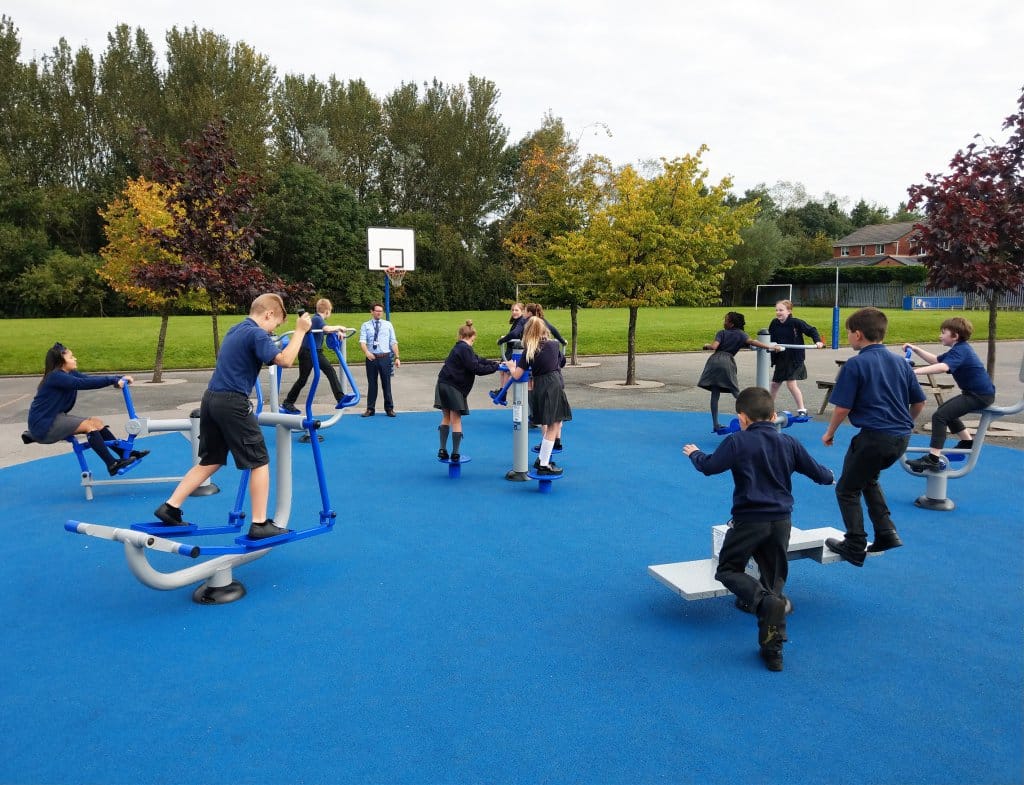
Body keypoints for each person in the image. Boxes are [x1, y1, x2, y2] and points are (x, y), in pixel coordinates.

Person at [683, 387, 834, 672]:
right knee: (773, 578)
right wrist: (830, 476)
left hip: (749, 520)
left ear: (742, 417)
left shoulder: (737, 442)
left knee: (728, 569)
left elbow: (710, 467)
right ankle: (773, 650)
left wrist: (695, 453)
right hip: (781, 521)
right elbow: (818, 472)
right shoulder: (788, 442)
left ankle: (762, 602)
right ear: (774, 416)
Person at [153, 294, 312, 539]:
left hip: (211, 399)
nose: (273, 330)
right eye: (276, 324)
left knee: (211, 460)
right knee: (259, 461)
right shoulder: (257, 334)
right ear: (268, 314)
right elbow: (286, 361)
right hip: (232, 401)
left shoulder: (235, 330)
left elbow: (265, 350)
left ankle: (170, 507)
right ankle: (260, 524)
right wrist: (300, 331)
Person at [822, 307, 927, 565]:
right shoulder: (901, 363)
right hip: (900, 437)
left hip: (874, 438)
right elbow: (919, 402)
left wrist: (829, 432)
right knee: (867, 479)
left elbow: (843, 407)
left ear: (858, 335)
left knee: (847, 489)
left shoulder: (855, 364)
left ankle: (855, 543)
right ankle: (886, 532)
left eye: (848, 333)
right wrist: (904, 423)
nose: (848, 337)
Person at [27, 343, 146, 476]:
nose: (75, 359)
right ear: (61, 360)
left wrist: (117, 379)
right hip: (43, 424)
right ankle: (112, 464)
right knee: (89, 426)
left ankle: (124, 455)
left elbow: (88, 379)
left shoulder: (69, 373)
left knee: (96, 422)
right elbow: (82, 384)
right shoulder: (56, 377)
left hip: (54, 417)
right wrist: (112, 380)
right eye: (71, 357)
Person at [903, 316, 996, 472]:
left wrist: (914, 372)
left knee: (940, 416)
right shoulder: (959, 349)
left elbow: (943, 367)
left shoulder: (961, 351)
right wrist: (916, 349)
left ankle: (933, 458)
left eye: (943, 332)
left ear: (955, 336)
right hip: (975, 393)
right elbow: (936, 361)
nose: (940, 335)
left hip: (980, 395)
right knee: (944, 410)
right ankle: (966, 441)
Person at [506, 316, 571, 476]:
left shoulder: (529, 349)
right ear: (544, 330)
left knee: (551, 422)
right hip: (553, 384)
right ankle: (543, 464)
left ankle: (543, 458)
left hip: (538, 386)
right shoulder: (554, 345)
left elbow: (517, 375)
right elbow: (561, 362)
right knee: (554, 425)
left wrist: (510, 366)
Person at [697, 312, 779, 432]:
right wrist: (770, 347)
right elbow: (753, 342)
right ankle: (754, 417)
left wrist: (706, 345)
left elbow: (714, 347)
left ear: (731, 324)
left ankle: (715, 424)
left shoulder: (722, 333)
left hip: (714, 361)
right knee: (736, 392)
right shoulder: (741, 335)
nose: (724, 322)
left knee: (715, 394)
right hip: (727, 362)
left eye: (726, 320)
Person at [434, 320, 501, 462]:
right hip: (454, 386)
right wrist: (495, 368)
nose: (473, 343)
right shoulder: (465, 349)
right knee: (456, 420)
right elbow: (476, 368)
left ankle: (442, 449)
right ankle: (455, 453)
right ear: (471, 337)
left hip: (442, 383)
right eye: (473, 340)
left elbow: (477, 359)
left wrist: (495, 363)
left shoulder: (458, 348)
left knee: (446, 417)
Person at [281, 298, 350, 414]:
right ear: (327, 311)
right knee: (321, 374)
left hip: (313, 351)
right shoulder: (317, 319)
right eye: (330, 312)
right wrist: (339, 327)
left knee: (322, 373)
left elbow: (327, 331)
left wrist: (336, 332)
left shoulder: (316, 320)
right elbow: (326, 329)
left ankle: (288, 402)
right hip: (309, 351)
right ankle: (288, 402)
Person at [767, 300, 824, 417]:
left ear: (789, 311)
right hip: (781, 358)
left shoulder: (795, 323)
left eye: (781, 310)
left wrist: (818, 341)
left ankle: (802, 409)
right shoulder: (774, 323)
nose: (778, 312)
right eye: (776, 310)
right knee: (774, 385)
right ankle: (768, 409)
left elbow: (811, 330)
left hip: (794, 358)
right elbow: (770, 338)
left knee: (791, 384)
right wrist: (773, 346)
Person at [358, 303, 400, 417]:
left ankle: (389, 408)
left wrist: (397, 357)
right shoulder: (365, 325)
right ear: (371, 312)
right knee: (372, 384)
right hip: (371, 358)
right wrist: (367, 352)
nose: (379, 313)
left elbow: (393, 341)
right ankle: (370, 409)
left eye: (381, 311)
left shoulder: (388, 325)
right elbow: (362, 341)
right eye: (377, 311)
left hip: (385, 358)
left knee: (386, 384)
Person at [491, 302, 526, 402]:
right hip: (511, 349)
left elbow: (514, 334)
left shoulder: (521, 321)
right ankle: (502, 392)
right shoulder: (517, 321)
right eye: (513, 310)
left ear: (522, 311)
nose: (514, 312)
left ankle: (503, 393)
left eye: (516, 310)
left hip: (515, 350)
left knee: (506, 370)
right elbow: (513, 334)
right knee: (503, 370)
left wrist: (502, 340)